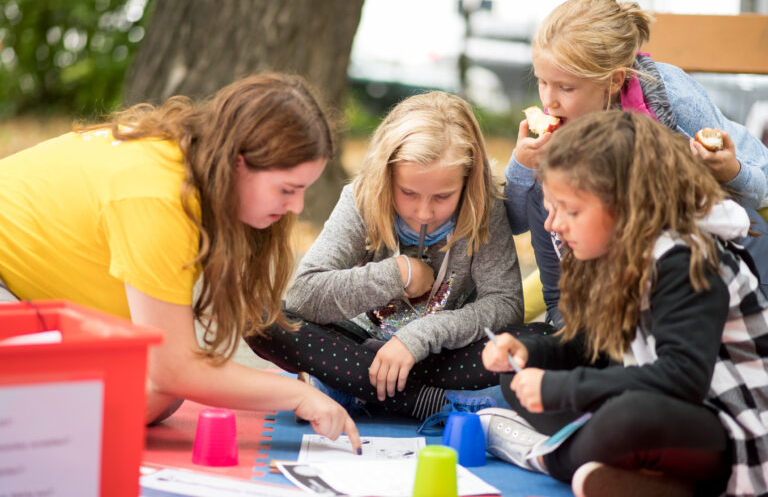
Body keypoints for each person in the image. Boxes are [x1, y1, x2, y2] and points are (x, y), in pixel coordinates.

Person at [0, 73, 361, 452]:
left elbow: (170, 369)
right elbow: (175, 369)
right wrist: (297, 395)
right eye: (287, 189)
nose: (297, 207)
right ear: (239, 163)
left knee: (157, 392)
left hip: (30, 294)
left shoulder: (186, 165)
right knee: (158, 386)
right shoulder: (159, 197)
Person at [481, 111, 768, 496]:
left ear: (625, 206)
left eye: (571, 210)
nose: (554, 225)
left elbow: (680, 378)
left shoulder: (685, 259)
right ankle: (643, 481)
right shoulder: (619, 251)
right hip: (677, 413)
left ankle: (544, 456)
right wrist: (527, 351)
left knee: (628, 418)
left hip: (735, 428)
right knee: (520, 372)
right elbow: (595, 348)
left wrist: (560, 390)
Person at [246, 90, 532, 425]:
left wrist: (418, 337)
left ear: (468, 183)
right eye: (408, 193)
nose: (424, 212)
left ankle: (350, 389)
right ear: (386, 176)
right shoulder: (360, 199)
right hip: (356, 346)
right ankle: (422, 402)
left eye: (443, 196)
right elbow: (304, 295)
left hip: (439, 356)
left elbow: (506, 303)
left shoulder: (484, 208)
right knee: (257, 317)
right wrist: (400, 273)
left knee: (537, 342)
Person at [506, 0, 768, 327]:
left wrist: (729, 169)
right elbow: (516, 223)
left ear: (614, 81)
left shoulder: (670, 98)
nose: (549, 100)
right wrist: (522, 164)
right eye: (542, 82)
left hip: (741, 210)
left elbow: (753, 194)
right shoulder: (565, 119)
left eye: (565, 88)